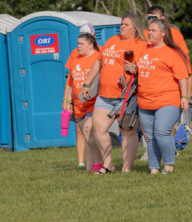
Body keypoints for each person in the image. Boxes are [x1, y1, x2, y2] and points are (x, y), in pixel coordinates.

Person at [81, 14, 147, 174]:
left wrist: (137, 70)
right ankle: (108, 164)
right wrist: (87, 82)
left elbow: (148, 67)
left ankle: (126, 168)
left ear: (135, 28)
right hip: (105, 95)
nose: (122, 26)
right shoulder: (112, 40)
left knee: (127, 131)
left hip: (128, 96)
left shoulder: (142, 45)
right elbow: (98, 61)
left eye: (126, 24)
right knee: (98, 128)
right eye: (121, 24)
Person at [131, 18, 189, 174]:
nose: (149, 33)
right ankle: (154, 168)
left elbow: (183, 77)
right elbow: (138, 69)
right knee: (150, 137)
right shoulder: (144, 50)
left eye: (153, 30)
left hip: (167, 100)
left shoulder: (172, 53)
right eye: (149, 30)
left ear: (163, 33)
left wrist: (185, 97)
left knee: (162, 132)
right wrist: (132, 69)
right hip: (144, 101)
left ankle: (169, 166)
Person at [141, 5, 192, 161]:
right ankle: (152, 155)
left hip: (168, 93)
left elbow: (185, 71)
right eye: (149, 18)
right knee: (151, 131)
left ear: (163, 19)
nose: (151, 22)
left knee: (163, 128)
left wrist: (186, 96)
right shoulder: (144, 36)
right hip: (146, 94)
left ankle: (168, 156)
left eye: (155, 18)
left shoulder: (174, 35)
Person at [62, 23, 103, 167]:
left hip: (93, 102)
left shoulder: (100, 55)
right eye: (77, 43)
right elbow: (71, 81)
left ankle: (100, 162)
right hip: (78, 103)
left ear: (91, 43)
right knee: (86, 134)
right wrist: (67, 100)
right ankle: (89, 166)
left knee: (88, 129)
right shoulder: (75, 57)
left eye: (81, 44)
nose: (78, 46)